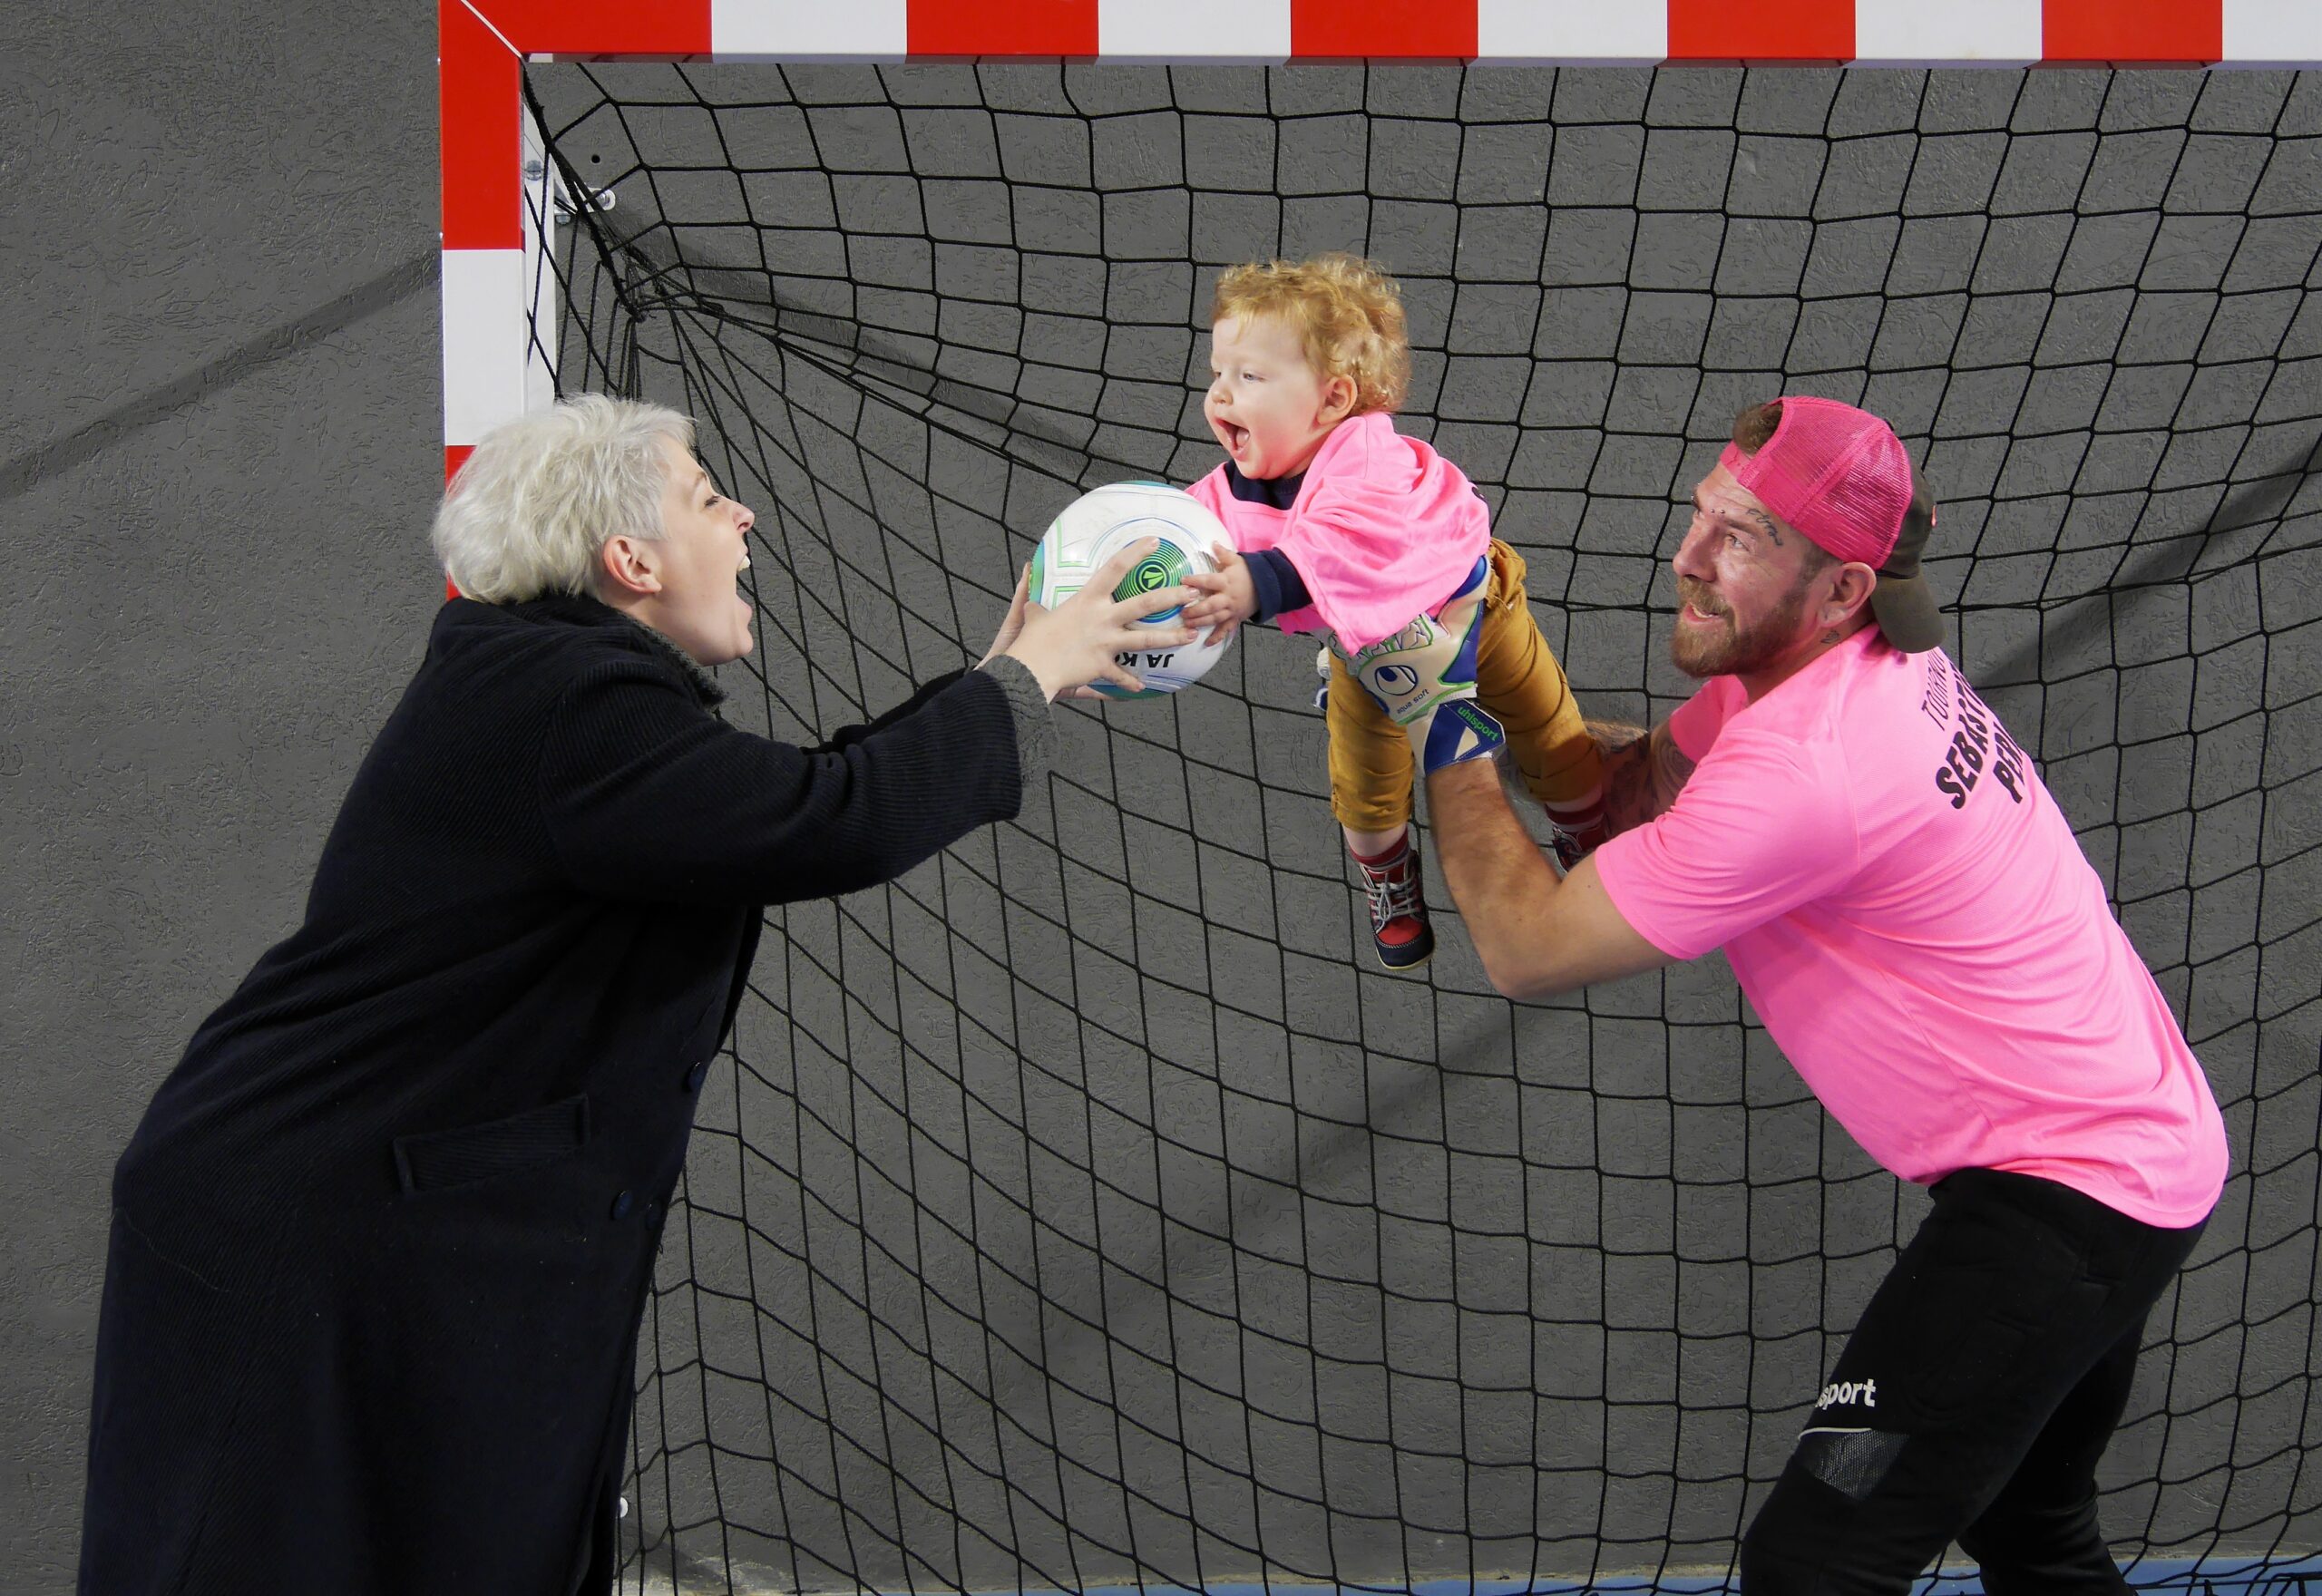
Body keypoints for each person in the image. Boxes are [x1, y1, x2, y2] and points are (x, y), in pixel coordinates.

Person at [76, 394, 1191, 1596]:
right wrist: (1026, 675)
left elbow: (802, 799)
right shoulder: (566, 700)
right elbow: (831, 823)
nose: (744, 513)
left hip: (379, 1220)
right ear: (631, 558)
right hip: (311, 1228)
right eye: (710, 497)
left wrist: (996, 681)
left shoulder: (557, 684)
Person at [1339, 395, 2229, 1593]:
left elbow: (1526, 947)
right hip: (2129, 1159)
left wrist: (1435, 720)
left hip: (2067, 1203)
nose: (1687, 557)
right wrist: (1499, 671)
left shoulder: (1815, 769)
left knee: (1816, 1563)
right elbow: (1645, 789)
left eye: (1741, 536)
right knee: (2031, 1529)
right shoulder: (1819, 680)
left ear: (1843, 590)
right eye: (1702, 513)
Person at [1177, 254, 1605, 972]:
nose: (1221, 395)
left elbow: (1341, 539)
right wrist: (1116, 567)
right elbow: (1184, 530)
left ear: (1334, 399)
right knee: (1365, 790)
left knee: (1549, 731)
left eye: (1248, 377)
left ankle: (1588, 832)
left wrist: (1256, 582)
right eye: (1218, 373)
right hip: (1373, 654)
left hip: (1478, 610)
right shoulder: (1233, 487)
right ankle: (1388, 875)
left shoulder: (1365, 458)